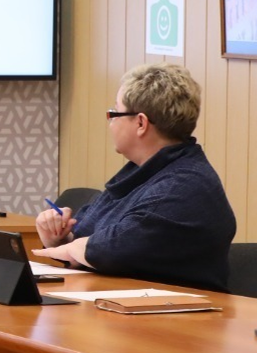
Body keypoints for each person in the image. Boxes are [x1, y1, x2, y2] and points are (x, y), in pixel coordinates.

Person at [35, 64, 235, 292]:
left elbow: (114, 247)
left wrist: (75, 248)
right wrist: (61, 239)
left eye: (114, 113)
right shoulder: (140, 173)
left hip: (174, 312)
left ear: (141, 123)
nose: (111, 122)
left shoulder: (184, 185)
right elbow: (88, 238)